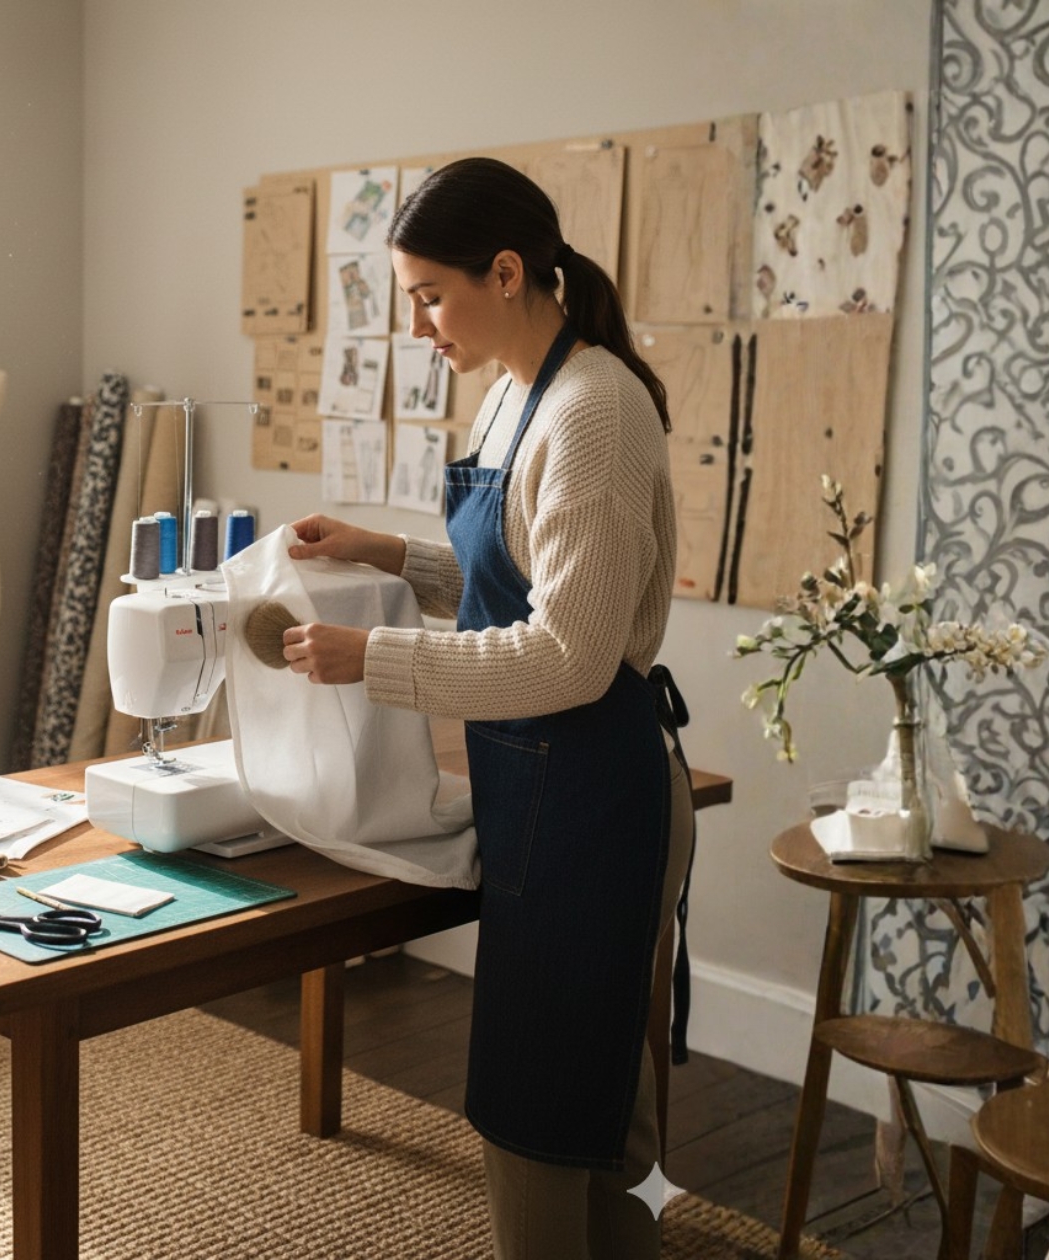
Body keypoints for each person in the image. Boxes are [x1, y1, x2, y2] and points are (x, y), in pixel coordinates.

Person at [280, 157, 693, 1260]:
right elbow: (514, 579)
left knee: (544, 1108)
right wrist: (386, 555)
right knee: (593, 1096)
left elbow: (565, 653)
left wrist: (373, 657)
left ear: (504, 271)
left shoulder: (591, 412)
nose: (416, 323)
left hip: (594, 792)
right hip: (543, 783)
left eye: (426, 293)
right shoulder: (512, 394)